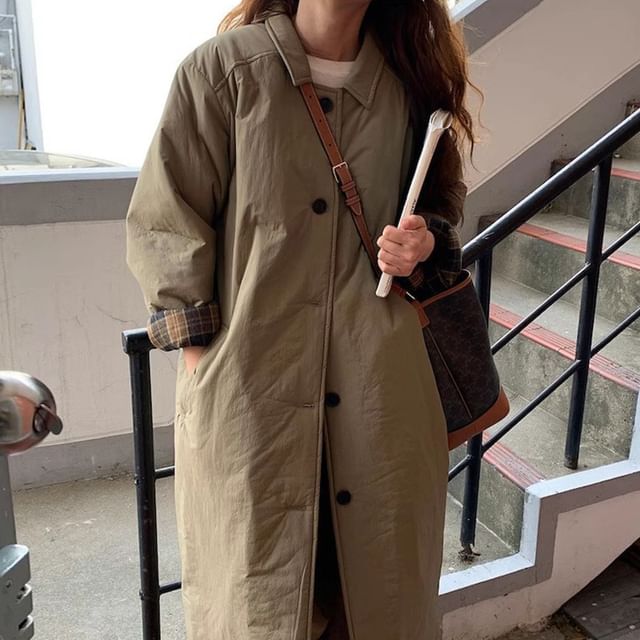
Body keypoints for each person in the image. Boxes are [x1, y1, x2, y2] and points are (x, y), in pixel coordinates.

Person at [125, 1, 480, 638]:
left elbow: (441, 209)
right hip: (251, 401)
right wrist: (205, 361)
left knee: (378, 602)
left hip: (383, 400)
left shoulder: (409, 87)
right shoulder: (223, 72)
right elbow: (167, 219)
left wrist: (423, 243)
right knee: (258, 605)